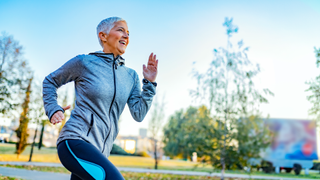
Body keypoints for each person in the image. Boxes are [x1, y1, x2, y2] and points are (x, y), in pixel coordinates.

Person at [42, 17, 158, 180]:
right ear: (103, 36)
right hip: (76, 139)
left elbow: (138, 114)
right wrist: (53, 108)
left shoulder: (131, 76)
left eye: (128, 33)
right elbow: (50, 81)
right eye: (120, 30)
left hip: (101, 152)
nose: (126, 36)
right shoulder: (84, 62)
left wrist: (150, 84)